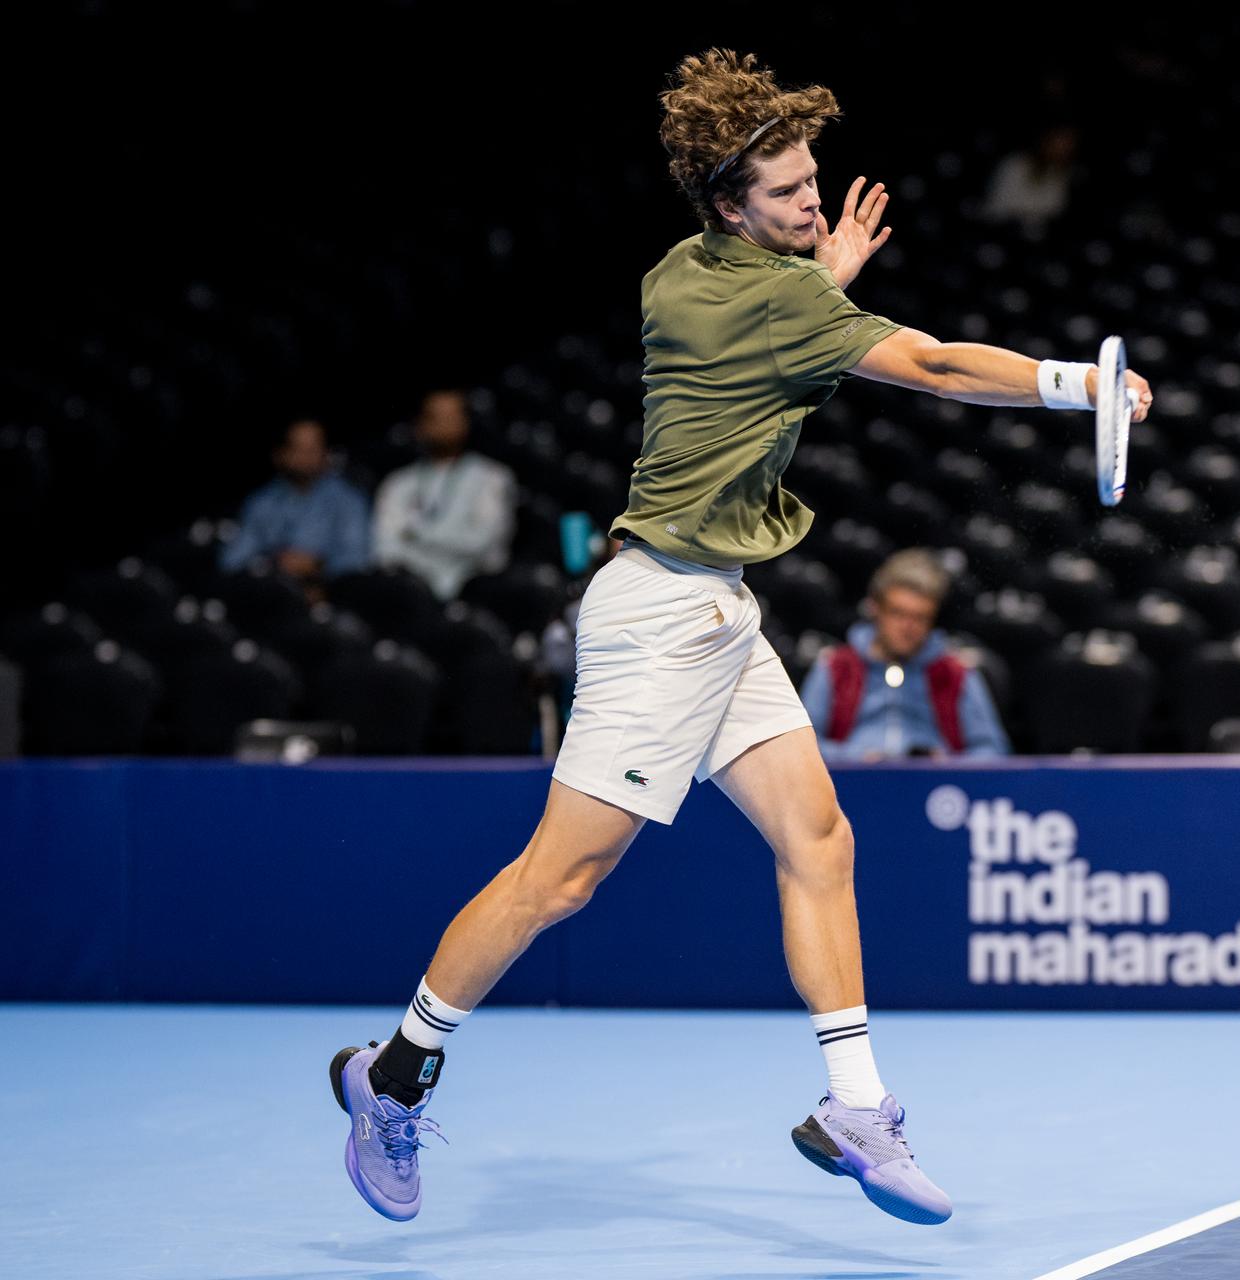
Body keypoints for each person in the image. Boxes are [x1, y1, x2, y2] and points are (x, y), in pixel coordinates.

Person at [328, 47, 1150, 1228]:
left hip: (716, 608)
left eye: (813, 179)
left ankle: (854, 1107)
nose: (813, 203)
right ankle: (391, 1076)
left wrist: (822, 280)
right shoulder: (783, 298)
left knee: (820, 834)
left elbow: (792, 322)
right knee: (559, 879)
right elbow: (928, 363)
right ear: (728, 204)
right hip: (659, 618)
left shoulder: (682, 272)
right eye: (785, 194)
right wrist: (1084, 384)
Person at [801, 549, 1010, 760]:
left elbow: (992, 751)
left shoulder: (956, 673)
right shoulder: (835, 666)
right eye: (898, 613)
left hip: (934, 788)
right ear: (875, 609)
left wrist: (945, 763)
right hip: (851, 787)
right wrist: (856, 758)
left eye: (920, 617)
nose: (908, 627)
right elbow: (802, 746)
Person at [371, 389, 517, 600]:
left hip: (477, 589)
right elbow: (386, 551)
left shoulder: (493, 477)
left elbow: (480, 543)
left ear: (466, 423)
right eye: (435, 418)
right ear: (420, 426)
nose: (444, 425)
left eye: (452, 417)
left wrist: (416, 534)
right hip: (410, 592)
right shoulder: (397, 484)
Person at [219, 418, 370, 585]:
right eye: (299, 449)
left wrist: (317, 565)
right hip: (271, 591)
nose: (306, 457)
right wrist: (273, 562)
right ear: (281, 454)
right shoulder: (262, 502)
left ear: (326, 452)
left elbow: (357, 560)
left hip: (330, 592)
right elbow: (232, 561)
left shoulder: (348, 500)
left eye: (313, 449)